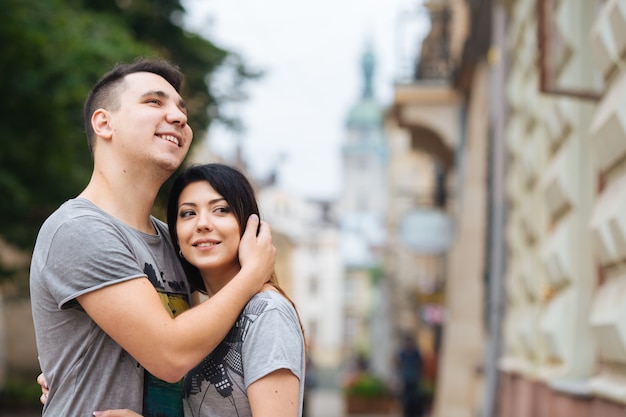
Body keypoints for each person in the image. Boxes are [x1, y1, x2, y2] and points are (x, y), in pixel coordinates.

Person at [30, 58, 275, 417]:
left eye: (181, 109)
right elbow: (171, 354)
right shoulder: (79, 229)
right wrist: (251, 276)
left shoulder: (171, 237)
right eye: (154, 102)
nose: (178, 117)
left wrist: (72, 370)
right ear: (104, 123)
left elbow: (198, 348)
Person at [94, 163, 306, 417]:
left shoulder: (267, 312)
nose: (202, 224)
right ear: (177, 238)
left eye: (220, 210)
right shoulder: (201, 318)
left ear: (249, 227)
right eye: (188, 214)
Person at [395, 335, 423, 417]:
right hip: (406, 377)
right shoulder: (402, 352)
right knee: (405, 397)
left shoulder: (415, 352)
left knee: (413, 396)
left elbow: (420, 363)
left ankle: (413, 412)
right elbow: (398, 363)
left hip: (413, 378)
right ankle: (407, 412)